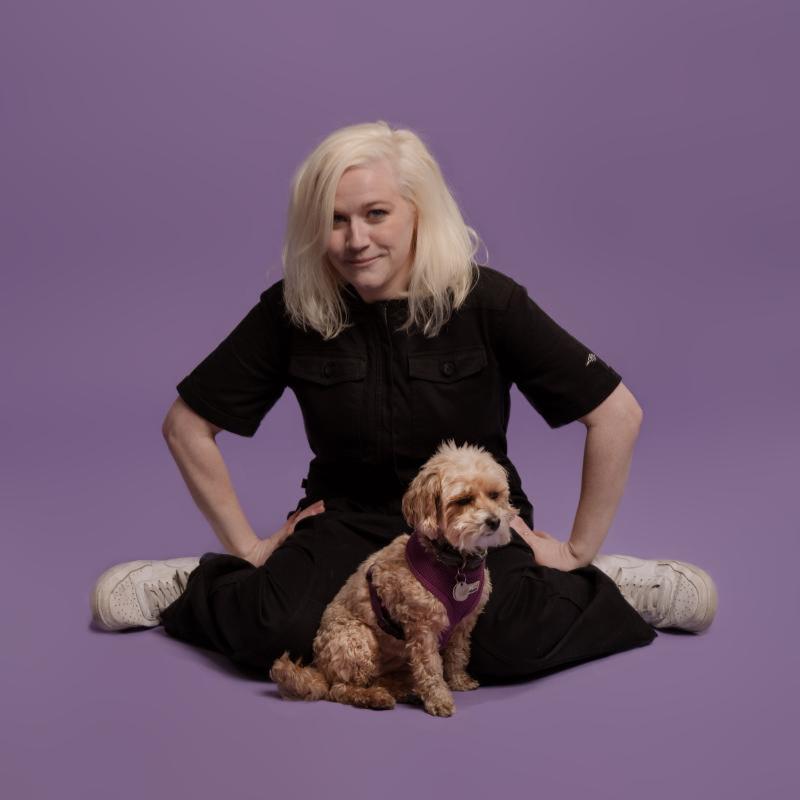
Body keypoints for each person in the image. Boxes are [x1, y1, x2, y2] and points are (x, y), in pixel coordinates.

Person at [90, 121, 717, 683]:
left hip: (465, 521)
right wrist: (248, 547)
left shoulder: (487, 301)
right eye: (335, 220)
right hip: (348, 518)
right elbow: (187, 426)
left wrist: (577, 547)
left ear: (419, 211)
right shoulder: (292, 310)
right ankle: (192, 583)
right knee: (279, 634)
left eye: (376, 214)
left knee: (501, 644)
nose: (355, 239)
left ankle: (608, 583)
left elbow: (616, 413)